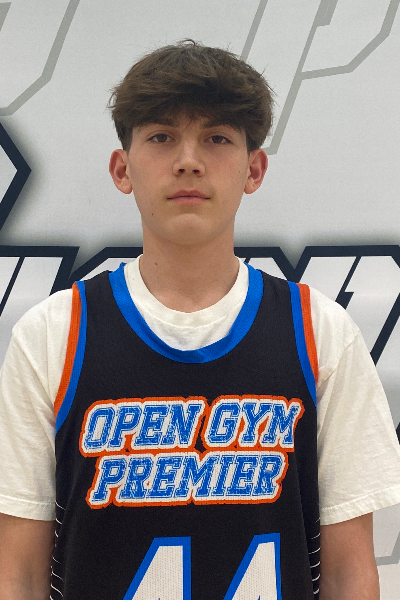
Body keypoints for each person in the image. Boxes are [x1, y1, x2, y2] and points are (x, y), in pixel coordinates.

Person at [0, 39, 400, 600]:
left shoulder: (320, 333)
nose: (188, 160)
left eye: (217, 138)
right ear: (122, 169)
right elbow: (17, 574)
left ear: (253, 169)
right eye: (161, 137)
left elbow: (348, 573)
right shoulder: (52, 334)